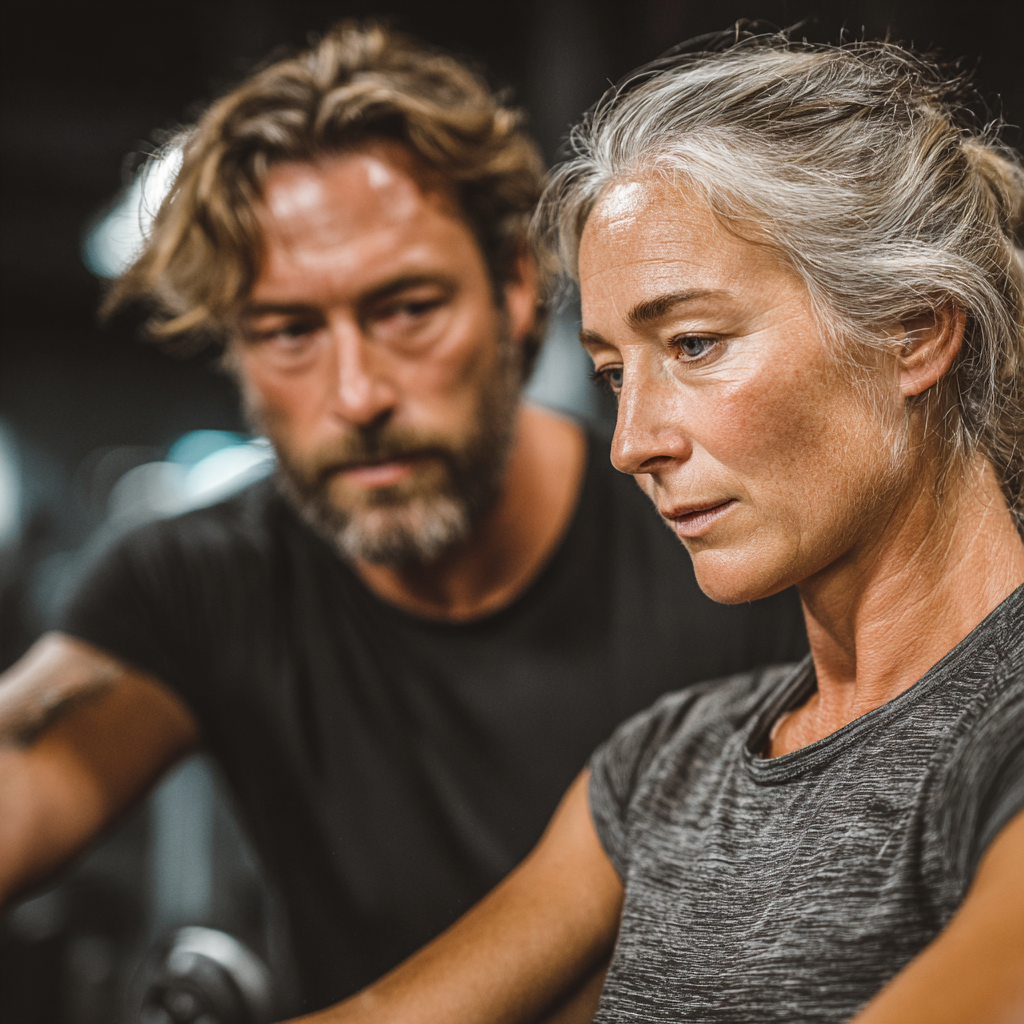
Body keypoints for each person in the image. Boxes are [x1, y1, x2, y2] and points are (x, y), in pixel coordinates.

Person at [0, 22, 807, 1014]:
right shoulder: (196, 583)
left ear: (516, 288)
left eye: (407, 309)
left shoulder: (714, 543)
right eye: (289, 331)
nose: (357, 395)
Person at [282, 35, 1024, 1024]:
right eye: (612, 372)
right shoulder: (664, 765)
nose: (632, 443)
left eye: (693, 343)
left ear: (914, 329)